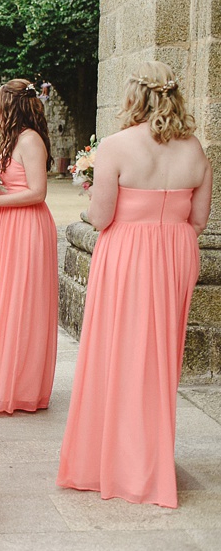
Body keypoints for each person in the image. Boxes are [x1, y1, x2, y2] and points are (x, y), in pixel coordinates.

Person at [56, 62, 212, 508]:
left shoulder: (116, 146)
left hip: (126, 253)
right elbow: (198, 221)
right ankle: (148, 460)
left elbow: (102, 216)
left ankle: (108, 462)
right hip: (176, 254)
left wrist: (89, 205)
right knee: (158, 358)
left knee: (116, 353)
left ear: (134, 97)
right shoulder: (196, 150)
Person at [0, 79, 58, 413]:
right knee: (3, 302)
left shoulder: (30, 141)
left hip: (28, 227)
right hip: (9, 227)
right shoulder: (10, 141)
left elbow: (38, 192)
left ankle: (21, 386)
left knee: (22, 303)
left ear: (11, 107)